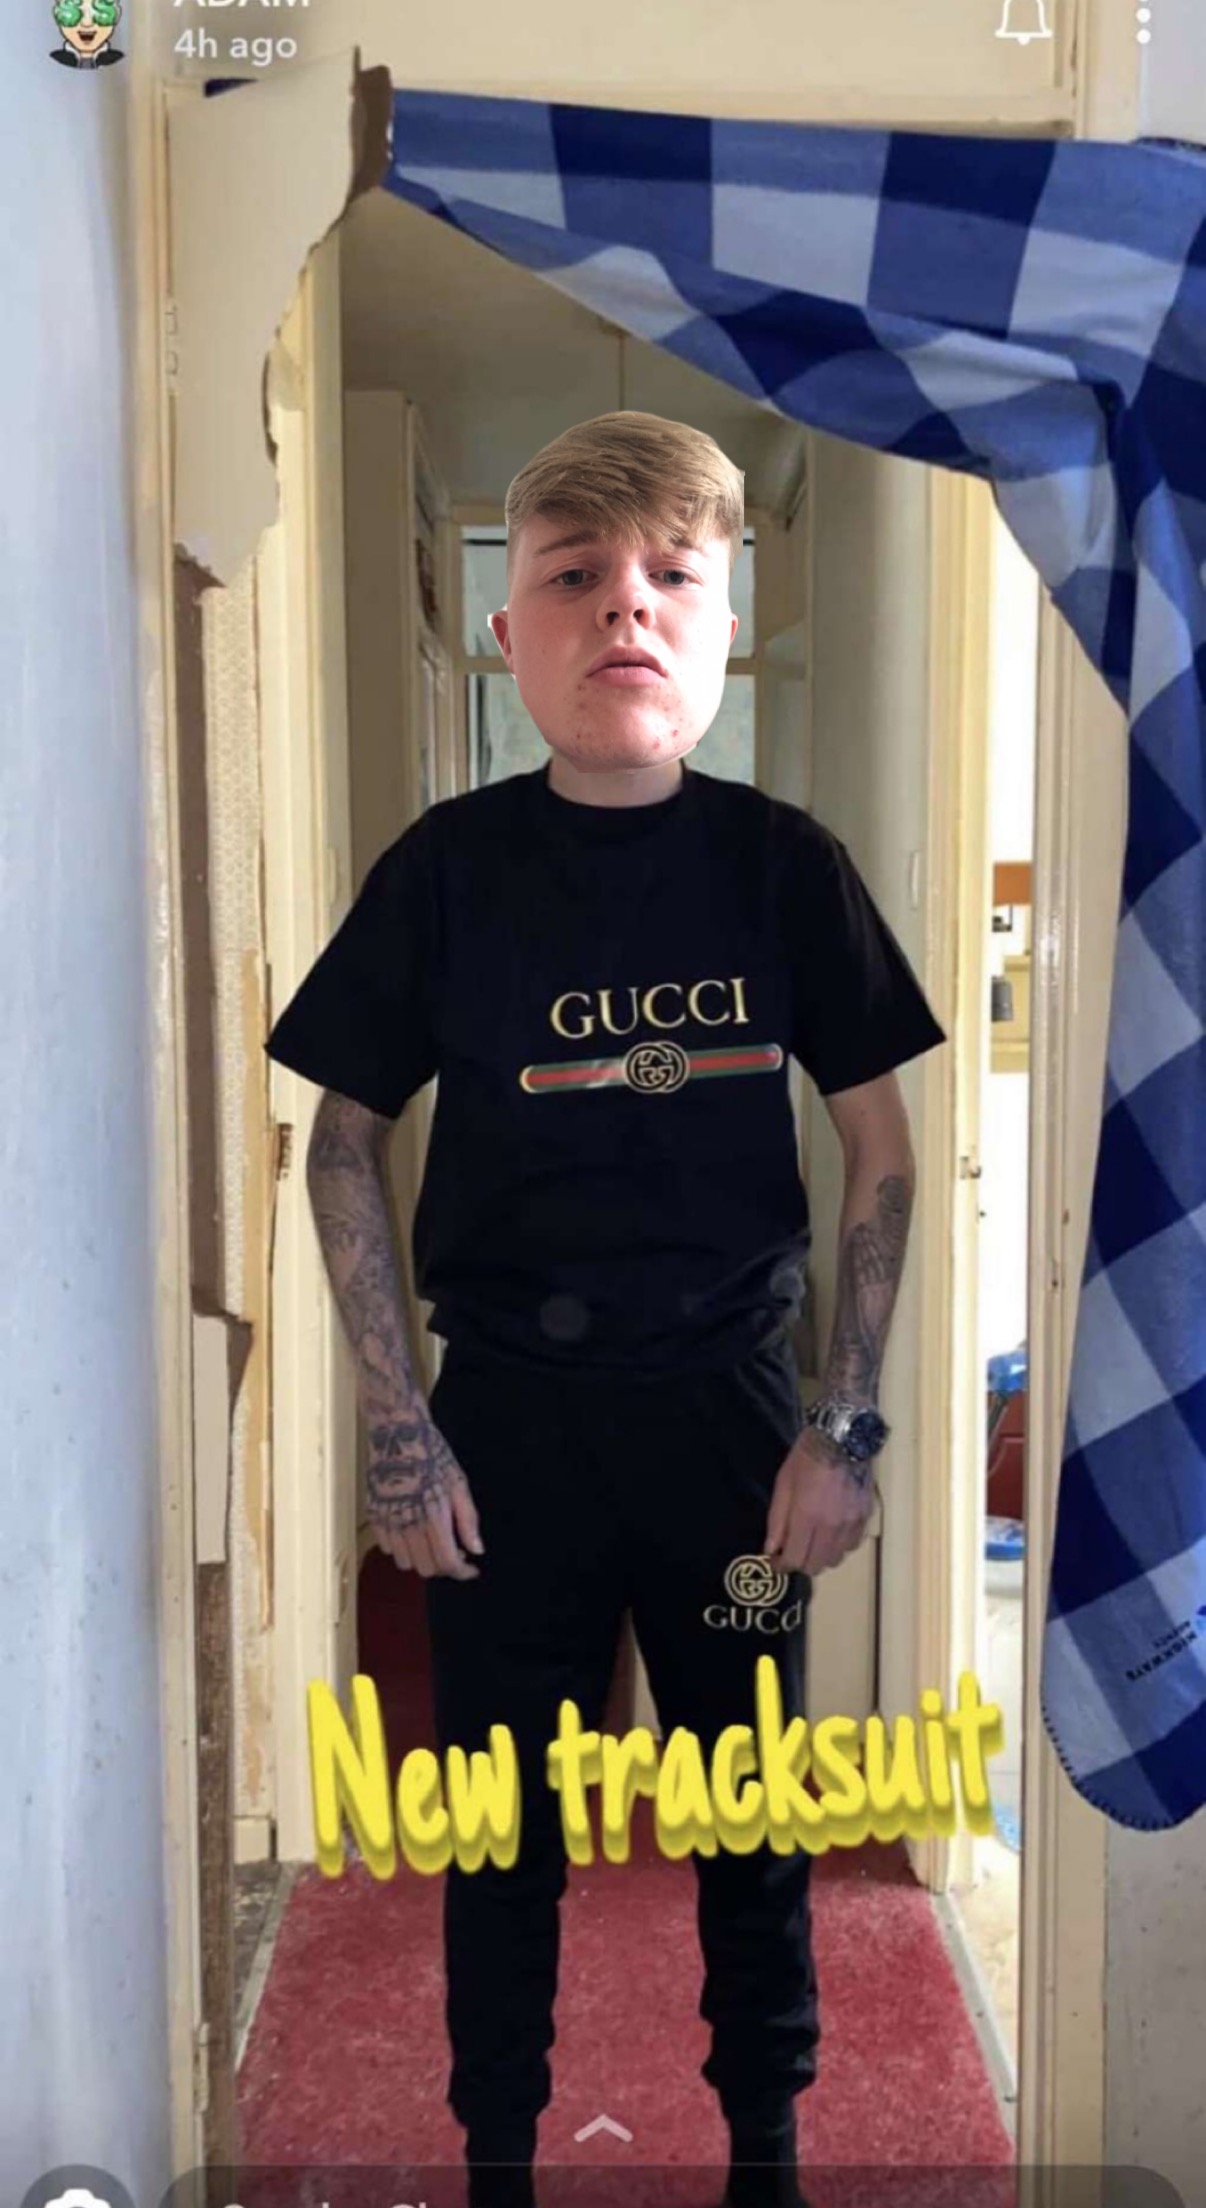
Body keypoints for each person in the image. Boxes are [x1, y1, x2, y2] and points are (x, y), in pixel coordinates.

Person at [265, 410, 947, 2208]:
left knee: (748, 1808)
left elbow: (881, 1149)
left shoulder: (785, 867)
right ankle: (497, 2149)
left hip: (735, 1436)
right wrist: (399, 1435)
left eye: (671, 577)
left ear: (722, 624)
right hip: (507, 1433)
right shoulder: (446, 871)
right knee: (498, 1822)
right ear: (512, 634)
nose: (624, 607)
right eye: (574, 575)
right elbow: (340, 1141)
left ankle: (764, 2151)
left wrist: (842, 1428)